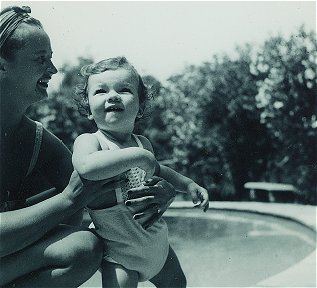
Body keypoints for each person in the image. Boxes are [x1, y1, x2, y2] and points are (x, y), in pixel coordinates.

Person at [0, 6, 176, 287]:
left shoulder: (39, 142)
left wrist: (161, 190)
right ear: (2, 64)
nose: (53, 69)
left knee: (82, 248)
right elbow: (73, 199)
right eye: (41, 59)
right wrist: (68, 199)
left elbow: (97, 198)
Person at [72, 56, 210, 288]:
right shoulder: (90, 142)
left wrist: (188, 185)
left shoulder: (142, 143)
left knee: (178, 284)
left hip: (156, 243)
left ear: (140, 107)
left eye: (124, 89)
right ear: (88, 108)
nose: (113, 95)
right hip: (119, 253)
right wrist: (138, 157)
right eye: (101, 91)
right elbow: (86, 167)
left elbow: (160, 170)